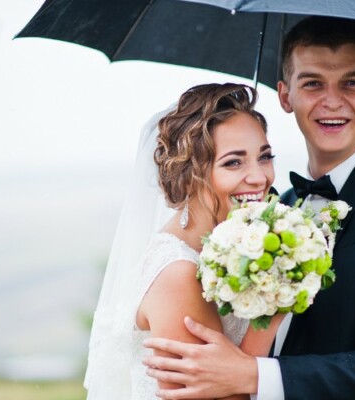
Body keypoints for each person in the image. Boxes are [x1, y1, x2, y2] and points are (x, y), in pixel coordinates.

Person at [143, 16, 355, 400]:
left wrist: (254, 376)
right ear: (285, 95)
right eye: (313, 83)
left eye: (352, 82)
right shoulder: (270, 211)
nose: (332, 101)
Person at [84, 83, 285, 399]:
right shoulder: (178, 274)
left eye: (264, 156)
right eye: (234, 162)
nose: (259, 177)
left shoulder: (222, 248)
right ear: (191, 174)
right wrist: (271, 313)